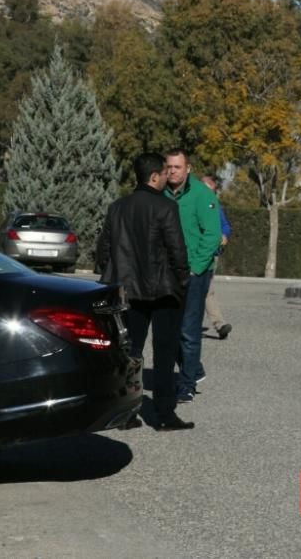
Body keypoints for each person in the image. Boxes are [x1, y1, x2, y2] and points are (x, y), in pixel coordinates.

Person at [95, 153, 194, 431]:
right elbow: (177, 250)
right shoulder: (165, 207)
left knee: (130, 352)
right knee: (164, 353)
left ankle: (126, 413)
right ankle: (164, 414)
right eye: (164, 173)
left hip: (128, 291)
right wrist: (184, 280)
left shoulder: (117, 207)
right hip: (164, 291)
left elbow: (103, 249)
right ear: (154, 176)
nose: (167, 177)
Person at [164, 149, 222, 403]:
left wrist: (195, 267)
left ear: (188, 169)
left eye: (177, 167)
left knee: (188, 330)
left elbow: (212, 235)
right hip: (166, 273)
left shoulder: (202, 195)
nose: (173, 171)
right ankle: (194, 369)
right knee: (166, 329)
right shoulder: (161, 194)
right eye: (169, 167)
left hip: (194, 273)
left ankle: (186, 384)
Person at [201, 175, 232, 340]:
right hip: (196, 253)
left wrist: (225, 235)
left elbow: (225, 225)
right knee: (204, 290)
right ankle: (219, 325)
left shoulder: (216, 206)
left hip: (212, 253)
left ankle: (220, 325)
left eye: (211, 191)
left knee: (207, 290)